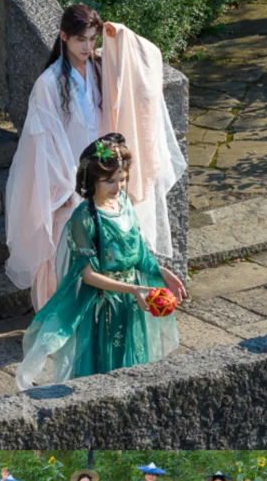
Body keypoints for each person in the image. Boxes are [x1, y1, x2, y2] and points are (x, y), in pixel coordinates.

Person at [5, 7, 185, 311]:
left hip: (102, 168)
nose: (88, 47)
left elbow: (142, 60)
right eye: (80, 40)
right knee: (70, 246)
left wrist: (120, 35)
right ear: (63, 37)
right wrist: (64, 187)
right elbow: (43, 143)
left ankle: (109, 308)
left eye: (92, 39)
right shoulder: (48, 84)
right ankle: (67, 315)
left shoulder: (100, 66)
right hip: (67, 177)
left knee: (112, 236)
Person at [17, 137, 186, 389]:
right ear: (91, 180)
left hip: (132, 301)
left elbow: (137, 254)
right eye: (109, 181)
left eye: (122, 179)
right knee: (105, 366)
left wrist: (163, 273)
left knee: (135, 363)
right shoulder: (83, 219)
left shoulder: (124, 204)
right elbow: (88, 276)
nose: (117, 187)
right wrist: (133, 289)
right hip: (104, 305)